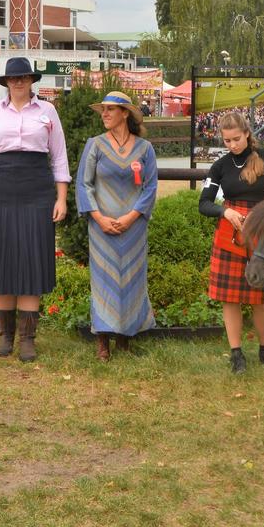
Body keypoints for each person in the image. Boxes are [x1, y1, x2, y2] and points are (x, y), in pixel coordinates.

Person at [0, 57, 70, 362]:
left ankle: (27, 339)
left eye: (23, 77)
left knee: (31, 259)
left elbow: (60, 158)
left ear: (31, 80)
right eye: (13, 78)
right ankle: (5, 336)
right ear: (6, 82)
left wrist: (61, 198)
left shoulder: (48, 111)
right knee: (2, 258)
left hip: (37, 190)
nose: (18, 82)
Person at [199, 112, 264, 373]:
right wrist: (225, 211)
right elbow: (204, 203)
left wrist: (262, 220)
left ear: (247, 133)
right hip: (229, 232)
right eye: (226, 141)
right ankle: (236, 354)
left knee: (259, 295)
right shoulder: (220, 166)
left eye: (236, 139)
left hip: (258, 231)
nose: (232, 145)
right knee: (229, 298)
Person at [76, 91, 158, 361]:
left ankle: (125, 337)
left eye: (111, 109)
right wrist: (99, 218)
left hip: (133, 229)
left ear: (125, 113)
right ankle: (102, 341)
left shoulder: (145, 149)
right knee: (102, 282)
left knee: (132, 280)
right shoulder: (95, 145)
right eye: (103, 110)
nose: (105, 114)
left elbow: (150, 187)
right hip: (101, 228)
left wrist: (131, 218)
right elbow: (84, 184)